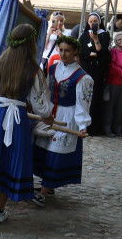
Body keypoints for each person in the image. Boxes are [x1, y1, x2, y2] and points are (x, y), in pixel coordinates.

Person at [0, 24, 52, 222]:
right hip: (16, 117)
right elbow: (40, 104)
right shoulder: (34, 71)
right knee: (8, 161)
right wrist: (47, 115)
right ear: (32, 43)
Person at [33, 37, 92, 199]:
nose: (63, 54)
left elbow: (83, 103)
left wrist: (82, 125)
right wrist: (42, 110)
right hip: (50, 114)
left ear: (75, 52)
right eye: (61, 50)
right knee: (43, 150)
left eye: (67, 50)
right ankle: (48, 185)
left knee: (55, 152)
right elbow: (45, 91)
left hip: (68, 117)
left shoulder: (82, 77)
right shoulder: (52, 68)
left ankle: (43, 193)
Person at [77, 13, 110, 135]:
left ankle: (94, 127)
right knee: (83, 96)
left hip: (97, 71)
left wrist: (96, 40)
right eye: (90, 21)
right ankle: (82, 125)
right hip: (85, 69)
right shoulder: (84, 35)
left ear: (99, 22)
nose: (92, 24)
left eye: (95, 21)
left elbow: (103, 53)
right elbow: (81, 52)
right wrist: (91, 54)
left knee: (95, 98)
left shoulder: (104, 35)